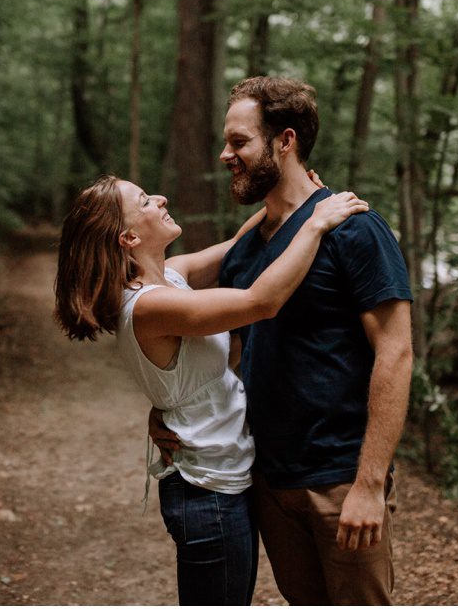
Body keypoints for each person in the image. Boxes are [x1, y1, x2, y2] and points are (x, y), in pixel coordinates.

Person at [152, 76, 414, 605]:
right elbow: (223, 347)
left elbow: (397, 351)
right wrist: (172, 408)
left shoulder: (354, 229)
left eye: (239, 141)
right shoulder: (250, 246)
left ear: (285, 141)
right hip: (268, 481)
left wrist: (368, 483)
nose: (226, 154)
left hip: (339, 480)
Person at [53, 173, 370, 605]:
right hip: (206, 495)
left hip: (220, 481)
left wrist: (292, 194)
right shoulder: (150, 305)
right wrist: (315, 222)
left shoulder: (171, 277)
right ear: (128, 237)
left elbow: (239, 247)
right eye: (146, 201)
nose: (160, 197)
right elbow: (262, 301)